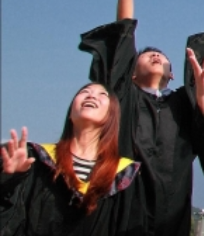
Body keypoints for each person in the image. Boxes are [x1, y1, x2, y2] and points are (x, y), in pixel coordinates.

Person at [76, 0, 204, 236]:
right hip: (124, 213)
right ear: (131, 71)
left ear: (172, 73)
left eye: (161, 55)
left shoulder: (183, 103)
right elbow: (124, 33)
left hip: (173, 216)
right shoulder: (124, 99)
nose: (155, 56)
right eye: (148, 55)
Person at [0, 84, 144, 236]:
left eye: (103, 94)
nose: (91, 95)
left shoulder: (125, 175)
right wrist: (10, 178)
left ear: (111, 116)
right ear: (70, 113)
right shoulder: (35, 159)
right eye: (85, 92)